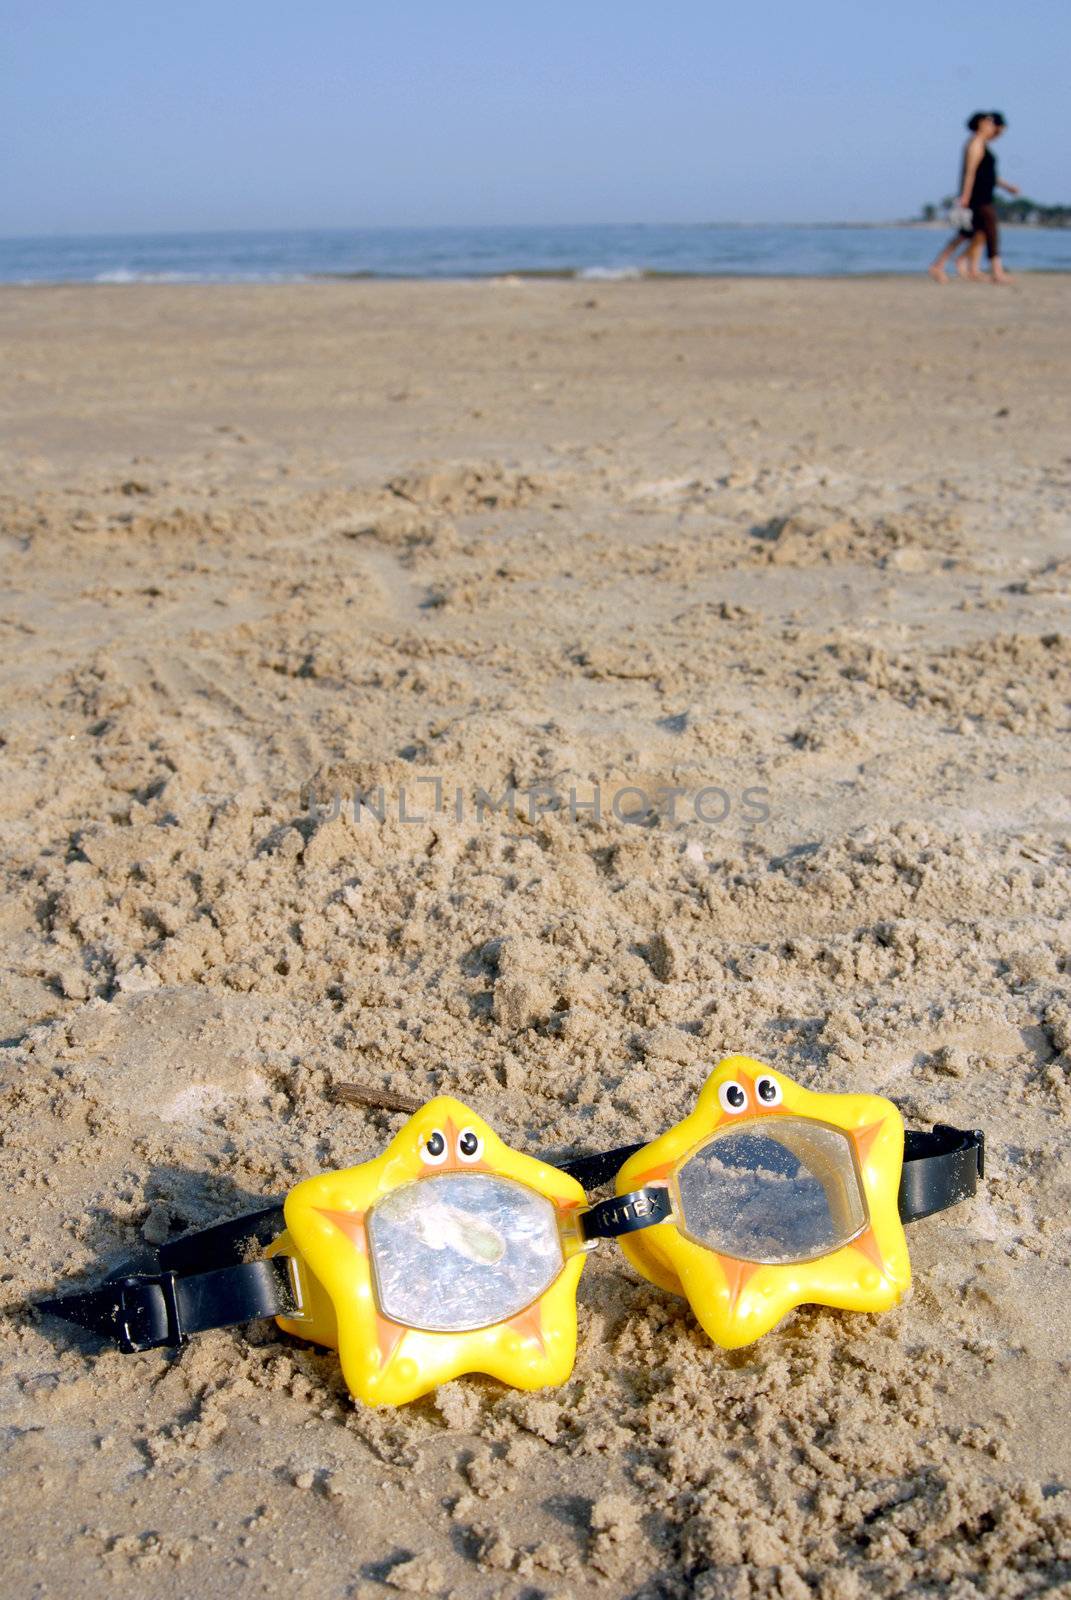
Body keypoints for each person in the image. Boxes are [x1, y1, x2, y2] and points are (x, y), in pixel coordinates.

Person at [928, 112, 1019, 285]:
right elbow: (969, 172)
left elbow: (989, 175)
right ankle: (997, 272)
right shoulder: (975, 144)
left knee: (969, 234)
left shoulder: (982, 144)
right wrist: (965, 196)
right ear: (981, 123)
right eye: (989, 122)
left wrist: (1007, 187)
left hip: (983, 195)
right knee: (989, 231)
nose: (992, 126)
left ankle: (938, 265)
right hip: (978, 197)